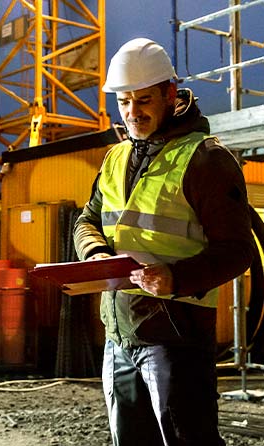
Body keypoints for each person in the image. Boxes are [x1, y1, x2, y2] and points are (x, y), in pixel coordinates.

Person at [73, 37, 255, 446]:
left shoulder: (206, 159)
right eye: (124, 102)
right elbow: (86, 220)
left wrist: (176, 278)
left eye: (144, 100)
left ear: (170, 95)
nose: (132, 113)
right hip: (120, 335)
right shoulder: (115, 158)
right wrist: (97, 255)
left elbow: (238, 250)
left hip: (177, 339)